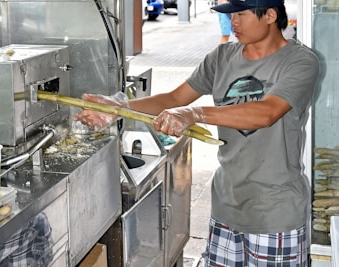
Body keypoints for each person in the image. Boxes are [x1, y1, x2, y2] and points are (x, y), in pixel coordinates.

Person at [74, 0, 320, 265]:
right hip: (227, 205)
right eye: (230, 15)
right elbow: (174, 97)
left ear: (270, 15)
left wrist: (196, 114)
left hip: (275, 211)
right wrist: (119, 107)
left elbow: (267, 113)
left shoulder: (300, 61)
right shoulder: (222, 57)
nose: (232, 22)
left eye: (240, 14)